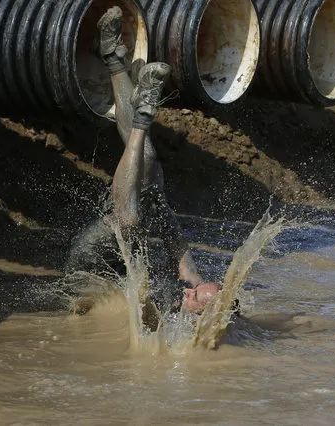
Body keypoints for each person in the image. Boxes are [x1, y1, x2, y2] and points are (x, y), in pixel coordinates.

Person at [64, 6, 219, 315]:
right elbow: (178, 248)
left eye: (195, 299)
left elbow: (143, 309)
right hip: (121, 244)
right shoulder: (189, 285)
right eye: (197, 288)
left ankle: (141, 116)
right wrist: (161, 210)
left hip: (87, 272)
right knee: (147, 163)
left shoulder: (174, 324)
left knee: (132, 221)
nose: (189, 292)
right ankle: (114, 60)